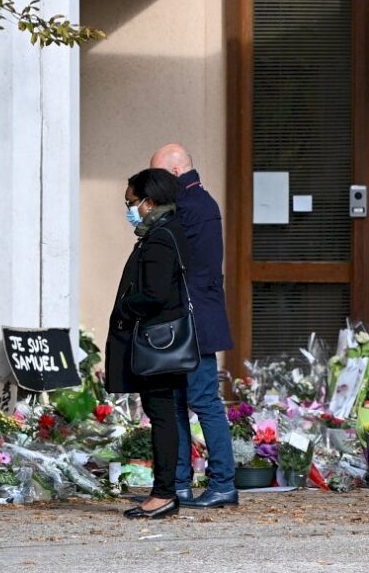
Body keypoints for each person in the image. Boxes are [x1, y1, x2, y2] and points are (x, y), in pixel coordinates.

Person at [148, 143, 237, 508]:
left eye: (156, 178)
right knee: (180, 401)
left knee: (202, 400)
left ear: (173, 173)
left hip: (192, 321)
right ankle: (180, 483)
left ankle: (221, 483)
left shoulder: (188, 208)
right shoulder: (199, 203)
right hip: (194, 318)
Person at [106, 167, 191, 520]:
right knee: (164, 415)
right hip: (161, 342)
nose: (129, 209)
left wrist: (125, 305)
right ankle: (166, 491)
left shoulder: (159, 237)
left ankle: (163, 493)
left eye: (131, 202)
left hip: (155, 344)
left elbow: (154, 294)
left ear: (149, 201)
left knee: (161, 416)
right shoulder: (166, 231)